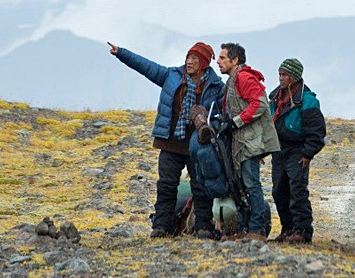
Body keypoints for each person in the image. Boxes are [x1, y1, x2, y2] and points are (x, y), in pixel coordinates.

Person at [108, 41, 223, 239]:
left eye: (195, 59)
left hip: (198, 146)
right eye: (188, 57)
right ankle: (162, 226)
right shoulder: (172, 76)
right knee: (167, 185)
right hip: (170, 142)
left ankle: (203, 227)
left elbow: (223, 113)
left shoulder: (215, 86)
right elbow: (146, 66)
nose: (189, 62)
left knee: (200, 187)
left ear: (204, 63)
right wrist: (121, 53)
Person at [216, 42, 280, 241]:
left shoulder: (243, 78)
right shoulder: (233, 81)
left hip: (250, 142)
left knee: (251, 185)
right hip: (243, 142)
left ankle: (257, 230)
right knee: (242, 186)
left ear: (235, 60)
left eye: (223, 58)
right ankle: (245, 229)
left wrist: (235, 123)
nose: (218, 62)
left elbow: (260, 105)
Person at [269, 58, 326, 244]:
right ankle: (288, 228)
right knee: (279, 191)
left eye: (284, 75)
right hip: (278, 151)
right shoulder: (275, 97)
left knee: (297, 191)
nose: (281, 78)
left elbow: (317, 132)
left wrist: (307, 154)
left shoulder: (308, 101)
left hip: (297, 152)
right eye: (279, 74)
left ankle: (302, 231)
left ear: (294, 77)